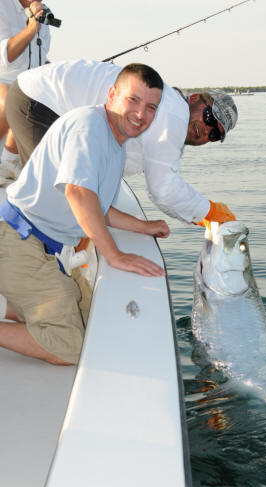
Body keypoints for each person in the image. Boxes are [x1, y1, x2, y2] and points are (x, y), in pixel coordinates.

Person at [0, 63, 170, 366]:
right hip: (20, 242)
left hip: (42, 248)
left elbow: (98, 207)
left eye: (151, 107)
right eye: (133, 100)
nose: (141, 114)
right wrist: (114, 255)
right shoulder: (89, 126)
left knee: (89, 316)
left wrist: (144, 227)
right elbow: (78, 194)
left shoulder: (114, 144)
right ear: (112, 94)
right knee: (71, 346)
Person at [5, 58, 237, 226]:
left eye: (214, 134)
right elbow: (163, 189)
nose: (206, 130)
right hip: (38, 101)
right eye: (209, 117)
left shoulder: (167, 113)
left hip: (36, 95)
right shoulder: (175, 115)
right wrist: (208, 211)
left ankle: (8, 167)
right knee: (55, 203)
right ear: (194, 99)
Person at [0, 0, 51, 180]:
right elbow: (5, 57)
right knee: (11, 101)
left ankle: (10, 162)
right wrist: (32, 27)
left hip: (28, 84)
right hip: (2, 79)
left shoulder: (43, 14)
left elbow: (39, 59)